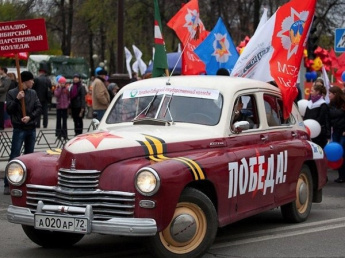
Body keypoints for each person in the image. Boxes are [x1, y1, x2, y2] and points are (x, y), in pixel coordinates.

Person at [4, 71, 42, 194]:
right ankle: (8, 183)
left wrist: (30, 117)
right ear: (25, 81)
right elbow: (9, 110)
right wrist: (17, 99)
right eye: (31, 80)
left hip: (30, 128)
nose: (33, 82)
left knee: (29, 155)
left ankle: (27, 182)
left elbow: (38, 108)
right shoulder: (12, 93)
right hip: (19, 128)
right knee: (15, 155)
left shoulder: (33, 92)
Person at [304, 81, 330, 148]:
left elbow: (325, 120)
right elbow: (305, 116)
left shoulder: (323, 105)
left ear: (317, 92)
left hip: (319, 133)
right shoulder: (309, 103)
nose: (310, 92)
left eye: (312, 91)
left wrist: (328, 135)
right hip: (309, 131)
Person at [328, 86, 345, 183]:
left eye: (330, 93)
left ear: (335, 94)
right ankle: (341, 175)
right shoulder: (330, 105)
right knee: (337, 154)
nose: (329, 95)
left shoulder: (343, 104)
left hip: (343, 132)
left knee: (343, 153)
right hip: (335, 131)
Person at [32, 63, 52, 128]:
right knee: (45, 112)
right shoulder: (48, 79)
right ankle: (45, 124)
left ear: (40, 72)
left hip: (38, 97)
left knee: (38, 111)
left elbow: (33, 87)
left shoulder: (37, 79)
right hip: (46, 98)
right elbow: (50, 88)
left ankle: (37, 124)